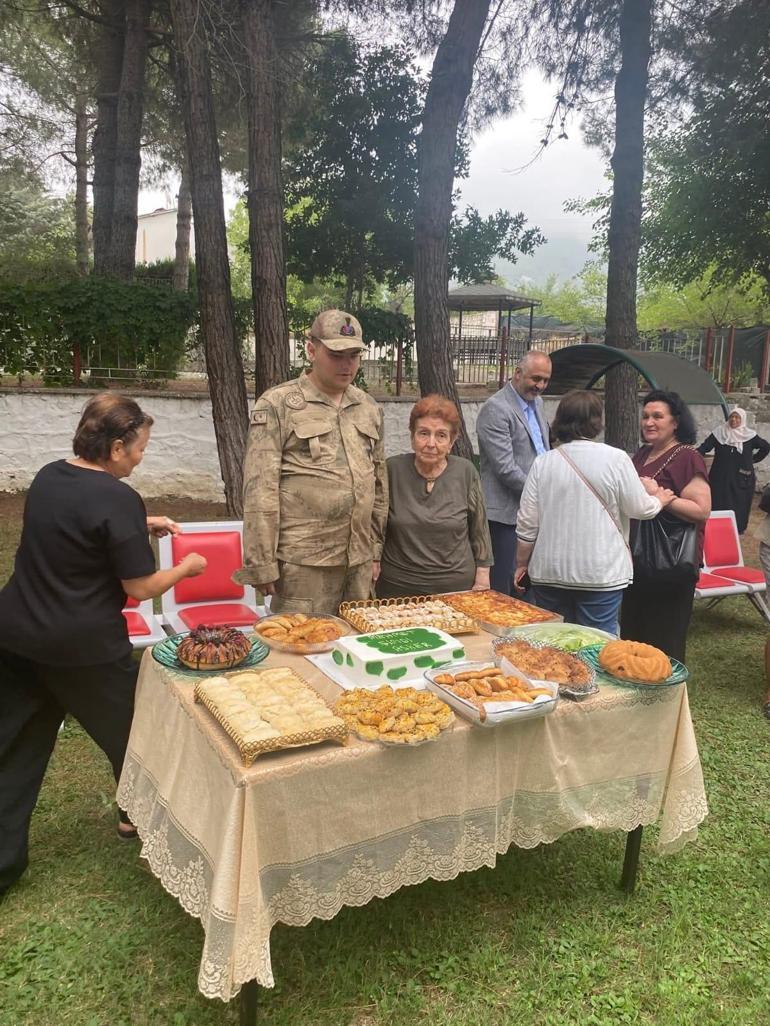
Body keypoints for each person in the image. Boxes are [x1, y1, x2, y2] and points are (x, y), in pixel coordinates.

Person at [0, 393, 207, 895]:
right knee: (138, 735)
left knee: (13, 749)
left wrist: (142, 522)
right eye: (139, 448)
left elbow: (80, 529)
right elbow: (139, 588)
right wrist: (186, 569)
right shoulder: (118, 498)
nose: (141, 456)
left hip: (17, 636)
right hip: (83, 648)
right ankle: (136, 819)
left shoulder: (50, 476)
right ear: (116, 447)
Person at [237, 309, 387, 615]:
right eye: (336, 355)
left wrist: (374, 550)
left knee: (354, 652)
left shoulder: (367, 407)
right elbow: (259, 488)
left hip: (355, 563)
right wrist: (262, 561)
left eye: (354, 355)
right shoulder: (278, 405)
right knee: (300, 651)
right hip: (303, 565)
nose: (347, 365)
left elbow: (378, 483)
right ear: (311, 350)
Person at [513, 391, 674, 635]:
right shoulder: (616, 459)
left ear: (560, 420)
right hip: (600, 573)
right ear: (597, 421)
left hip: (549, 571)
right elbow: (639, 508)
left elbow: (527, 524)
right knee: (598, 643)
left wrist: (522, 563)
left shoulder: (543, 463)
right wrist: (659, 500)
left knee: (552, 642)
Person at [621, 390, 711, 663]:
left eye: (658, 416)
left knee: (664, 641)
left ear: (675, 423)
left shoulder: (686, 456)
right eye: (646, 416)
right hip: (637, 563)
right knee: (633, 638)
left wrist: (658, 496)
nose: (649, 422)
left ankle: (666, 701)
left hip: (669, 566)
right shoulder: (643, 454)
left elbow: (701, 510)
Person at [375, 395, 493, 598]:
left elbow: (479, 528)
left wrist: (483, 575)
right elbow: (375, 524)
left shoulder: (465, 472)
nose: (431, 443)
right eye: (423, 433)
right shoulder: (392, 469)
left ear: (452, 441)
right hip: (397, 588)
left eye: (441, 435)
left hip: (456, 587)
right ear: (412, 436)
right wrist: (373, 561)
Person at [476, 351, 552, 595]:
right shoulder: (496, 409)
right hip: (505, 517)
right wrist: (542, 494)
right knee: (505, 591)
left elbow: (542, 449)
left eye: (545, 380)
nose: (540, 386)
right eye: (535, 378)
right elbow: (505, 468)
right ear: (517, 374)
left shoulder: (537, 403)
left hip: (533, 512)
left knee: (528, 587)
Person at [697, 407, 770, 533]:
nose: (734, 420)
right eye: (732, 417)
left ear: (742, 420)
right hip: (720, 476)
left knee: (739, 503)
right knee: (717, 501)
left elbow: (765, 447)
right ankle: (716, 527)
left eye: (737, 417)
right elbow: (704, 448)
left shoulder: (749, 436)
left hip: (742, 477)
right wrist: (690, 455)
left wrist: (753, 460)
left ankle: (737, 529)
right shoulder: (719, 433)